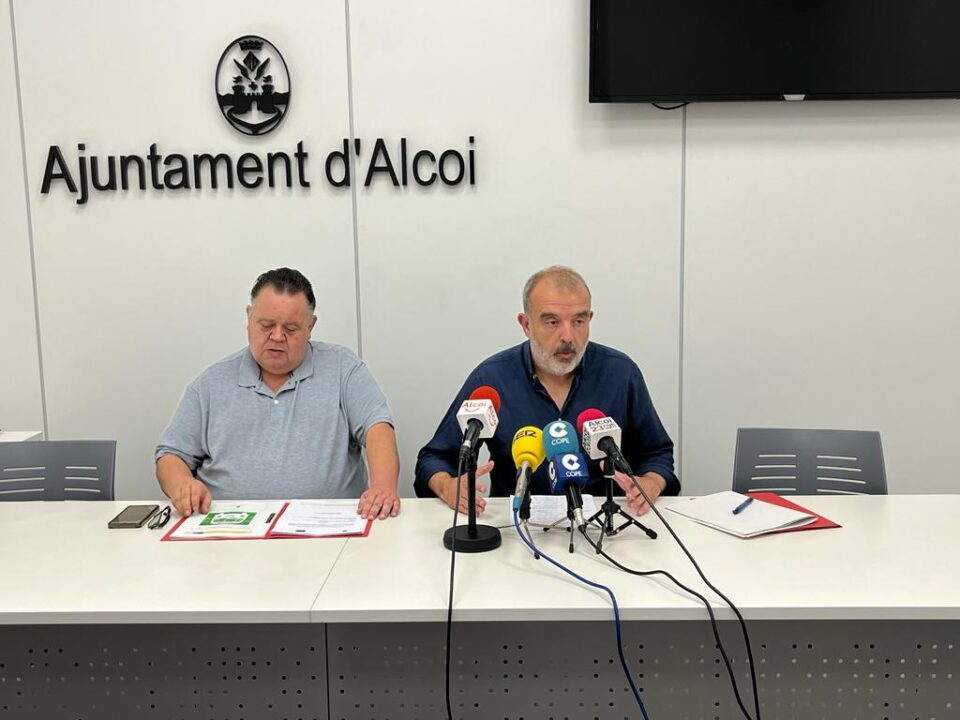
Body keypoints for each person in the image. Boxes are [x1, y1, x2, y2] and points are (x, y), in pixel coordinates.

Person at [414, 265, 678, 515]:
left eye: (578, 321)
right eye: (552, 322)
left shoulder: (620, 373)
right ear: (526, 324)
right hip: (516, 525)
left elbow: (656, 453)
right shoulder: (491, 378)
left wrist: (651, 482)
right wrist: (446, 485)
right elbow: (434, 457)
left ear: (590, 319)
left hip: (604, 523)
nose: (568, 337)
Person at [156, 267, 400, 520]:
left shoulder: (343, 369)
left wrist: (383, 487)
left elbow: (377, 428)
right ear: (249, 317)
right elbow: (171, 455)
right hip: (230, 527)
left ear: (310, 326)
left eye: (291, 329)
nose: (277, 336)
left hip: (327, 525)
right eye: (266, 325)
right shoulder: (211, 383)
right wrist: (182, 485)